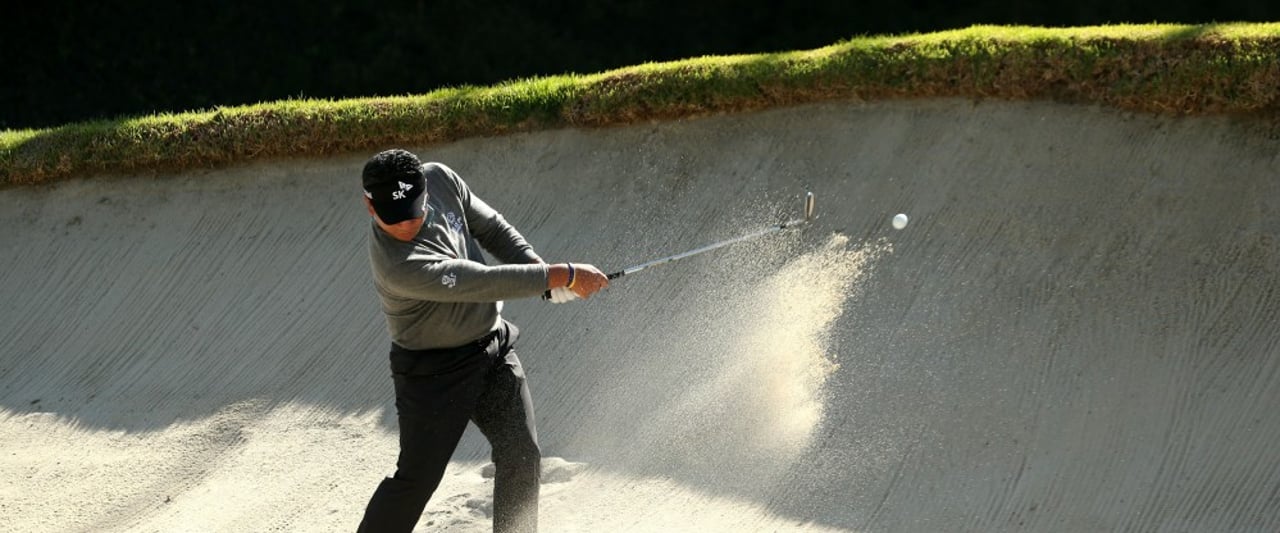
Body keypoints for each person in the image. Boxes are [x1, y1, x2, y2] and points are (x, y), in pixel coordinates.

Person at [356, 148, 607, 532]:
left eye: (415, 211)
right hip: (432, 373)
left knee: (522, 455)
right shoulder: (398, 266)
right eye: (395, 218)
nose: (408, 224)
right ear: (369, 206)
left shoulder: (440, 178)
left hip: (492, 347)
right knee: (416, 480)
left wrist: (537, 270)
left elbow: (491, 229)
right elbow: (479, 281)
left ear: (425, 189)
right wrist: (560, 275)